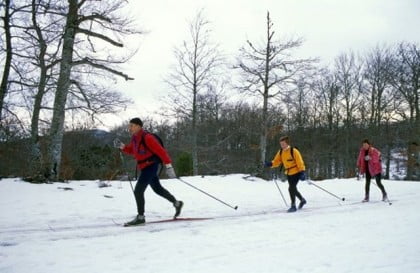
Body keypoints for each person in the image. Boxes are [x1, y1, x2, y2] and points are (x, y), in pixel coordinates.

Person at [119, 117, 183, 226]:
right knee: (157, 189)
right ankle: (177, 203)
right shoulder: (135, 138)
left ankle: (140, 217)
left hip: (151, 166)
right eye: (129, 126)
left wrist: (169, 166)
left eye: (132, 126)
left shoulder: (147, 137)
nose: (130, 128)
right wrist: (123, 147)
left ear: (139, 126)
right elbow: (133, 151)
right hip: (144, 167)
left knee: (138, 190)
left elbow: (161, 151)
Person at [265, 136, 307, 213]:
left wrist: (302, 172)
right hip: (288, 173)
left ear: (287, 143)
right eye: (281, 144)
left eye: (283, 144)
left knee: (291, 188)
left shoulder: (294, 151)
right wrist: (270, 164)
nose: (282, 145)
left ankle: (293, 205)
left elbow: (300, 162)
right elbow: (276, 161)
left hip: (296, 172)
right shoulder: (281, 152)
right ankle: (302, 200)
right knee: (293, 188)